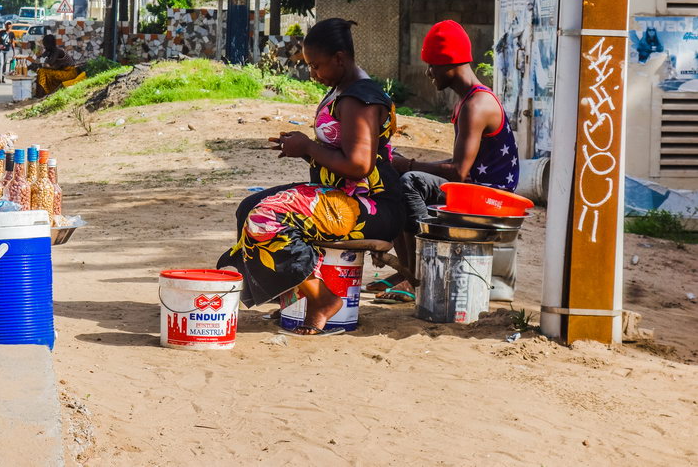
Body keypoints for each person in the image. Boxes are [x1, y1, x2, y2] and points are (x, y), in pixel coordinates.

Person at [217, 18, 404, 335]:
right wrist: (302, 148)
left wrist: (308, 146)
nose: (313, 74)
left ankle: (321, 299)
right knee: (250, 206)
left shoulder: (359, 98)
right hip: (341, 197)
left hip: (368, 207)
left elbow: (358, 165)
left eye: (317, 66)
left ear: (340, 58)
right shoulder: (343, 90)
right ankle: (291, 297)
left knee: (265, 219)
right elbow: (339, 153)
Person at [372, 20, 519, 302]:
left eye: (432, 65)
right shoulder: (468, 101)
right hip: (481, 189)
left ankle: (417, 276)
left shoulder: (476, 106)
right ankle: (407, 271)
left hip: (489, 198)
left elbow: (460, 172)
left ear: (450, 63)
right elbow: (463, 164)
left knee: (409, 182)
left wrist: (410, 164)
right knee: (398, 180)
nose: (428, 72)